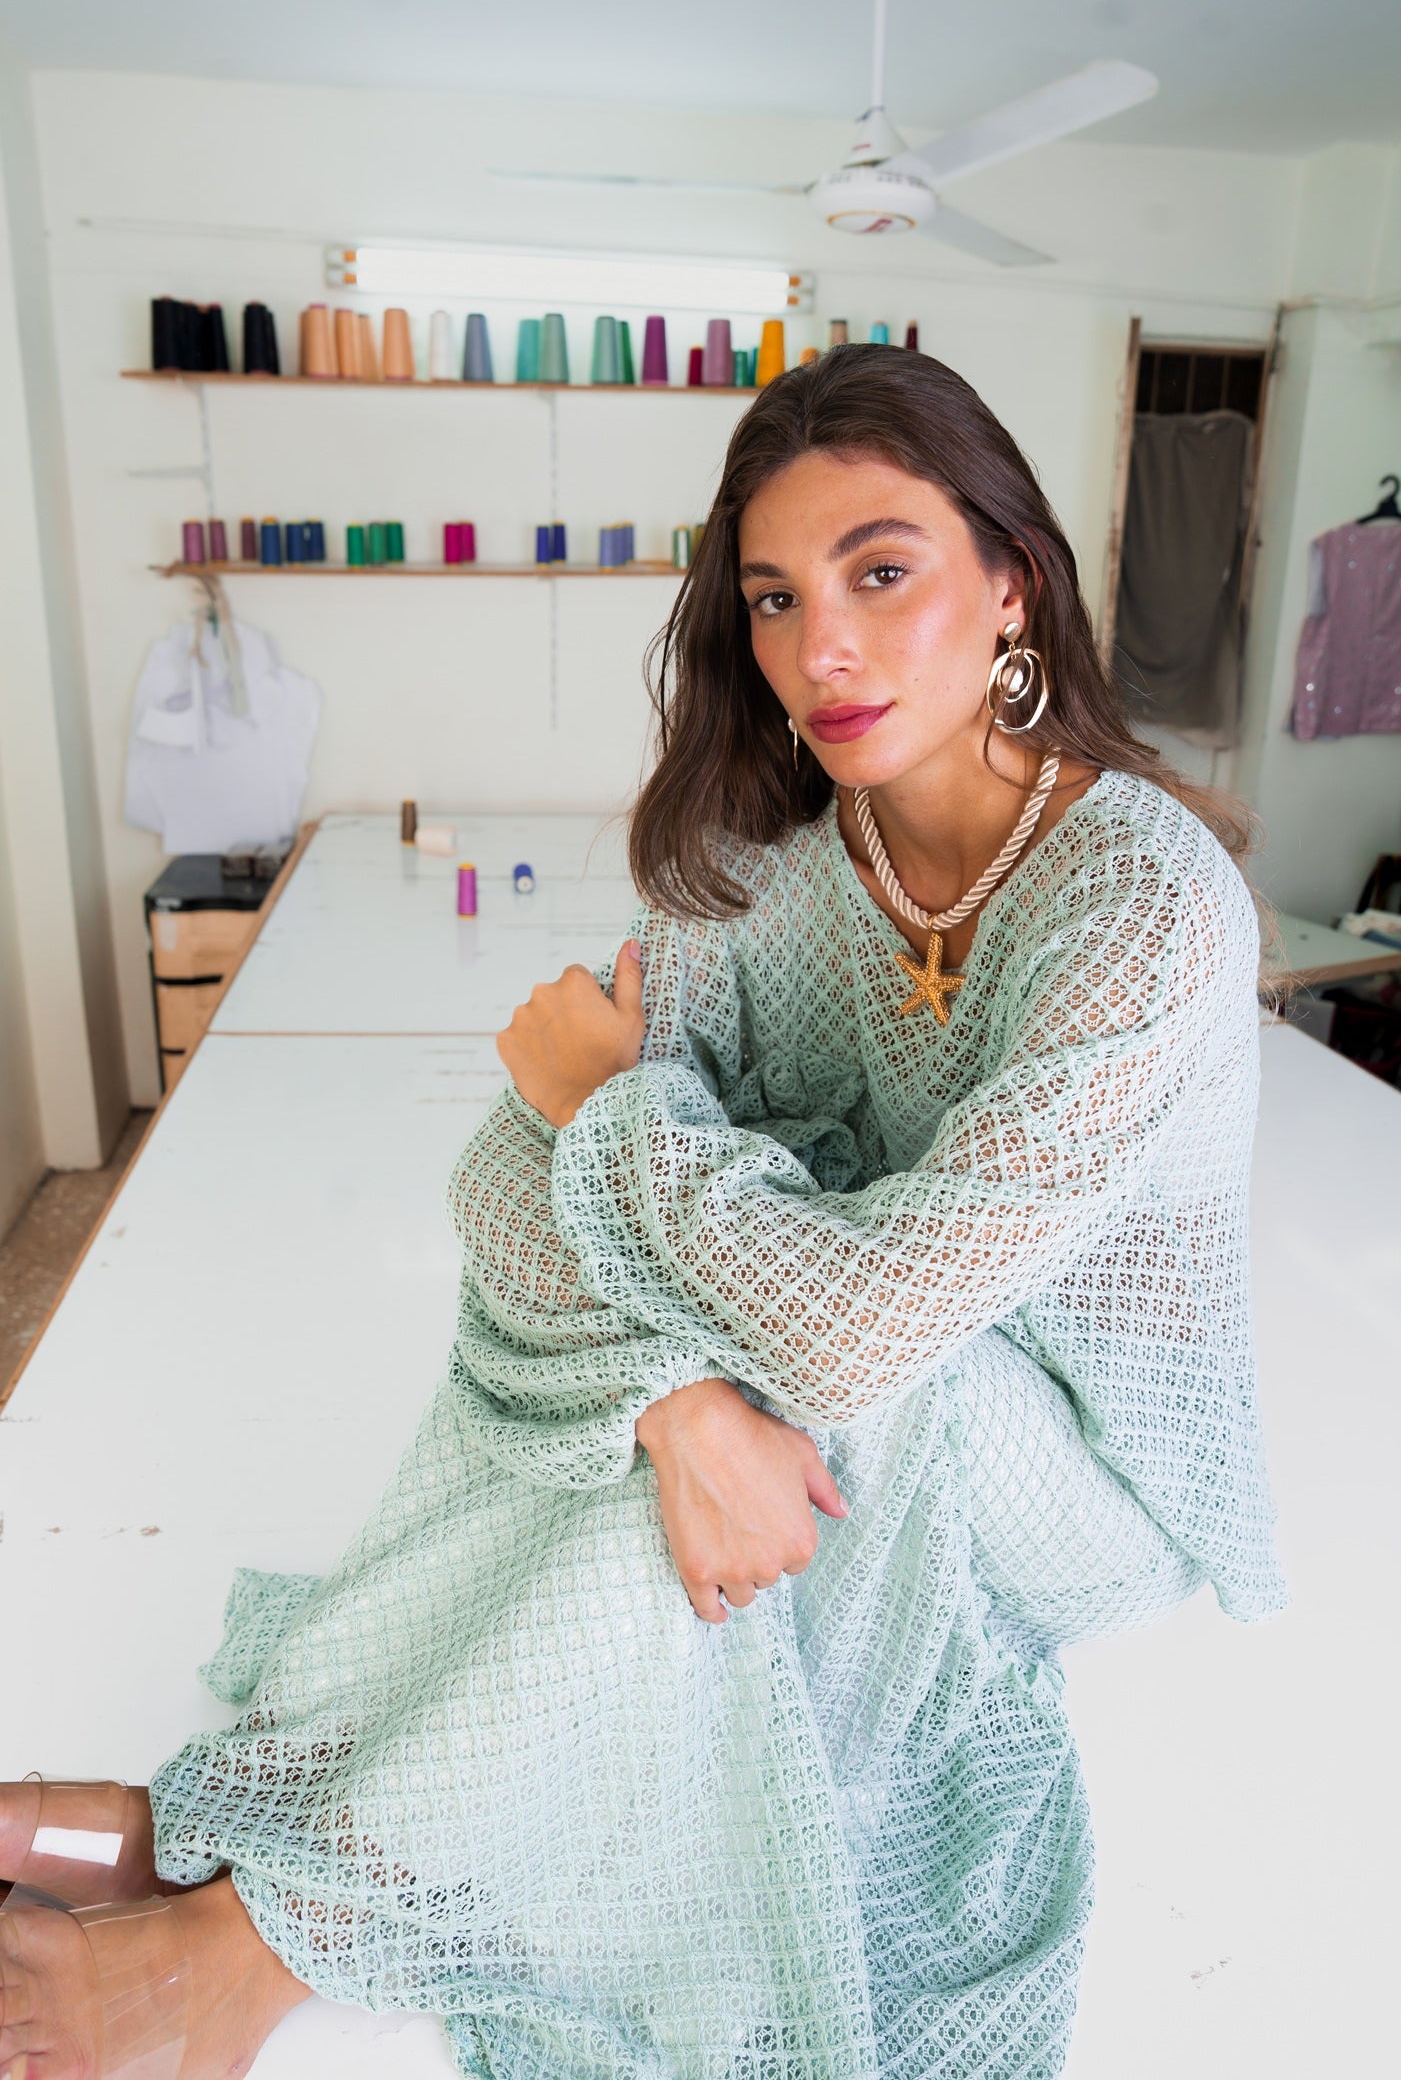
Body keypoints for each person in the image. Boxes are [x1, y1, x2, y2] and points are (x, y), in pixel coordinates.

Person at [0, 345, 1285, 2079]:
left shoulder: (1142, 904)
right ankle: (249, 1831)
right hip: (836, 1387)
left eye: (880, 572)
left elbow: (851, 1328)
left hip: (1078, 1475)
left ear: (1012, 585)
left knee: (812, 1391)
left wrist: (614, 1114)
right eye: (773, 597)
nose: (818, 649)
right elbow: (499, 1185)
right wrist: (674, 1399)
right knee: (678, 1435)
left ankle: (243, 1944)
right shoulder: (772, 866)